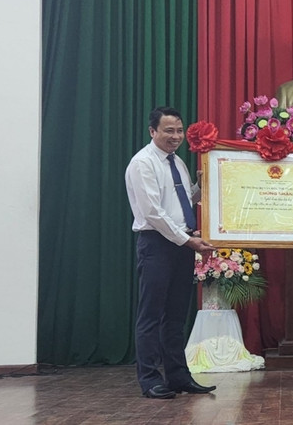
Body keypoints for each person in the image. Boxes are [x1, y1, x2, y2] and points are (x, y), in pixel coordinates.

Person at [125, 107, 217, 399]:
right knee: (151, 314)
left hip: (181, 243)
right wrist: (186, 240)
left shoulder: (177, 162)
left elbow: (181, 201)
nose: (175, 136)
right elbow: (154, 212)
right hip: (156, 244)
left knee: (176, 315)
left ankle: (178, 377)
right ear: (153, 131)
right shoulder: (143, 163)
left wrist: (201, 188)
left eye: (179, 131)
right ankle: (150, 379)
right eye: (168, 131)